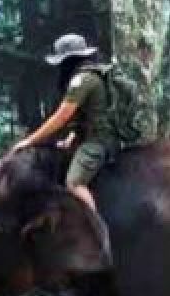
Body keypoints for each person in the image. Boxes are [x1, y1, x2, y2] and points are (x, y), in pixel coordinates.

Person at [11, 33, 118, 217]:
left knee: (74, 183)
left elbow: (61, 117)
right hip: (95, 136)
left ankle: (95, 229)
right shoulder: (91, 75)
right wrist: (72, 137)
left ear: (69, 60)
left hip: (97, 142)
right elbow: (89, 114)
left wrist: (28, 141)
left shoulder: (82, 80)